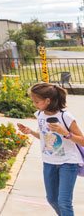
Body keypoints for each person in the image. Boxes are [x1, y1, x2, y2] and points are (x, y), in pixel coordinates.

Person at [18, 83, 83, 216]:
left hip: (68, 163)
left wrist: (65, 133)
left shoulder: (66, 116)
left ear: (48, 100)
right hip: (49, 162)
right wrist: (30, 131)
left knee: (64, 201)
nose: (34, 104)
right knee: (52, 199)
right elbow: (44, 137)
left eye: (37, 101)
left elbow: (82, 140)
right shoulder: (40, 115)